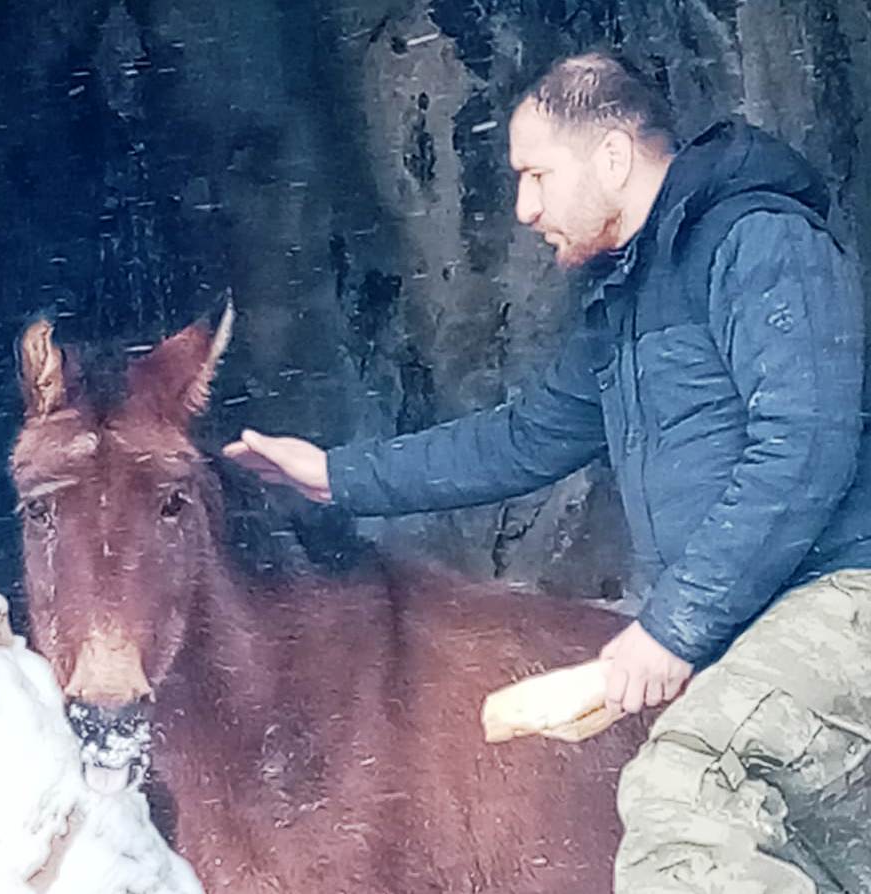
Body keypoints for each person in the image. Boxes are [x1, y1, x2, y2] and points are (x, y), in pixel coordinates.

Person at [224, 52, 871, 893]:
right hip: (751, 635)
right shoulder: (628, 304)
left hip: (840, 604)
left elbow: (804, 442)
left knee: (688, 786)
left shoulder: (759, 241)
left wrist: (675, 626)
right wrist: (334, 475)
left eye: (536, 174)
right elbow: (522, 439)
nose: (525, 207)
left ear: (610, 156)